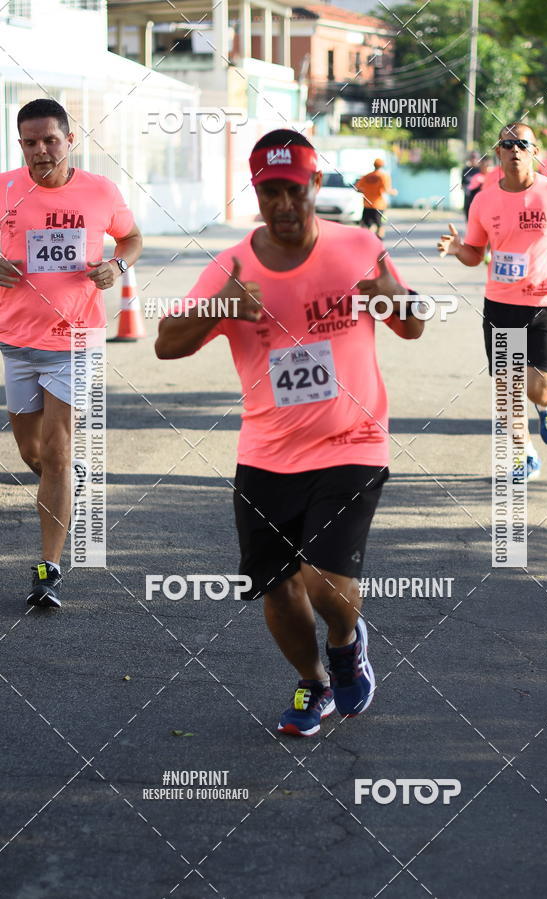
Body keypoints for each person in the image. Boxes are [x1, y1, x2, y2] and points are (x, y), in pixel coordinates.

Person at [155, 129, 424, 737]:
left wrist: (397, 298)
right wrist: (217, 309)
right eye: (268, 191)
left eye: (292, 190)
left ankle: (347, 639)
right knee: (276, 590)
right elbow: (165, 345)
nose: (281, 205)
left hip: (352, 441)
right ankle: (314, 683)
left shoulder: (359, 245)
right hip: (268, 453)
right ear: (256, 192)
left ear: (315, 186)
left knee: (321, 581)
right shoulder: (232, 267)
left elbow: (411, 327)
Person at [0, 98, 142, 608]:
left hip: (75, 339)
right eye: (31, 142)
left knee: (57, 452)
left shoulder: (101, 191)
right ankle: (67, 480)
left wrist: (117, 268)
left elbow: (131, 237)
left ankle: (48, 569)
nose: (41, 151)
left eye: (50, 140)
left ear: (70, 139)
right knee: (31, 453)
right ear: (20, 145)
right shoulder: (5, 189)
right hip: (16, 340)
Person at [437, 122, 547, 481]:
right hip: (501, 305)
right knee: (507, 388)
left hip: (544, 303)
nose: (515, 149)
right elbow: (476, 253)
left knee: (541, 390)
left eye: (523, 143)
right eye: (508, 144)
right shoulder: (484, 200)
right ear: (498, 152)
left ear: (535, 151)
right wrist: (460, 248)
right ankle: (524, 454)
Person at [355, 158, 397, 240]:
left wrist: (366, 191)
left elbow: (357, 188)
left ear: (374, 165)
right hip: (378, 205)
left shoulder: (366, 176)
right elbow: (386, 189)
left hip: (367, 204)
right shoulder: (384, 176)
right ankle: (379, 242)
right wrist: (394, 192)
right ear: (382, 166)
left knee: (366, 225)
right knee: (379, 225)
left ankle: (366, 240)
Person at [462, 151, 480, 219]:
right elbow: (463, 184)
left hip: (478, 202)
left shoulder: (480, 170)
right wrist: (466, 189)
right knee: (469, 222)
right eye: (471, 157)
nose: (473, 159)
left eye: (474, 157)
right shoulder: (465, 170)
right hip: (468, 201)